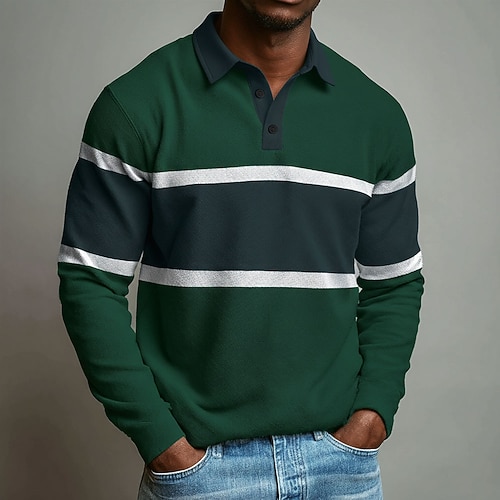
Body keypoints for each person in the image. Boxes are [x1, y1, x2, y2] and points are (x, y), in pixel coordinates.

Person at [58, 1, 424, 498]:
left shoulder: (376, 116)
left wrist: (372, 415)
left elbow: (394, 283)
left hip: (341, 470)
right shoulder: (136, 103)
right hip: (199, 473)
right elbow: (90, 282)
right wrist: (161, 440)